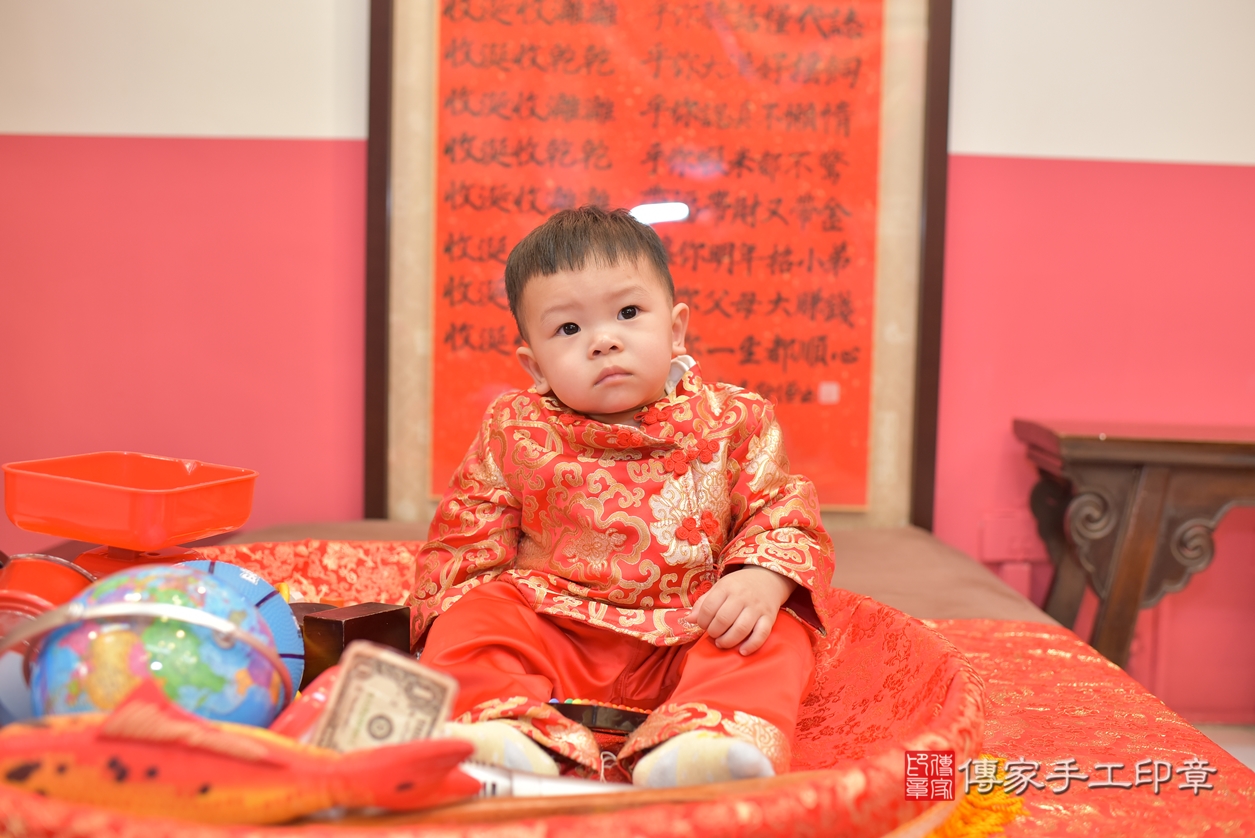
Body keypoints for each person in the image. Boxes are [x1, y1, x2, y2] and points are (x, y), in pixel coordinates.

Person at [411, 206, 835, 788]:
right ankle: (505, 731)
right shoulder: (514, 427)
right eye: (568, 329)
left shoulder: (735, 418)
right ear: (535, 365)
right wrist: (455, 615)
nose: (604, 341)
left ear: (675, 330)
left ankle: (707, 740)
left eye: (628, 313)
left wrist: (762, 579)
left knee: (774, 628)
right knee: (474, 616)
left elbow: (781, 511)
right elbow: (466, 535)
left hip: (694, 632)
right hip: (556, 630)